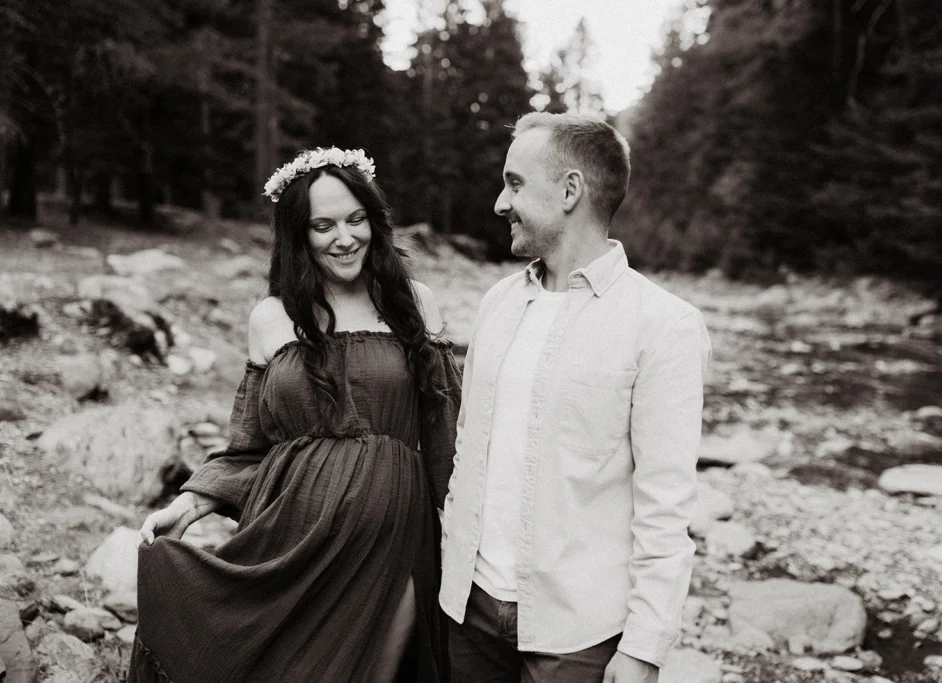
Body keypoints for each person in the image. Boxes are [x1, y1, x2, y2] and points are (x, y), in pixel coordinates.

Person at [129, 147, 461, 683]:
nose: (344, 238)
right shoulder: (272, 317)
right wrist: (188, 508)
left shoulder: (413, 303)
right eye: (323, 226)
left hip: (392, 531)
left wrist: (466, 529)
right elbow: (248, 444)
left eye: (356, 220)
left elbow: (446, 433)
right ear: (299, 234)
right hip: (288, 533)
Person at [440, 113, 711, 683]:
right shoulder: (497, 304)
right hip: (468, 610)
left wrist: (644, 647)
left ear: (570, 191)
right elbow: (469, 452)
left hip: (579, 634)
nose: (498, 203)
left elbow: (665, 504)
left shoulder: (665, 326)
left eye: (514, 183)